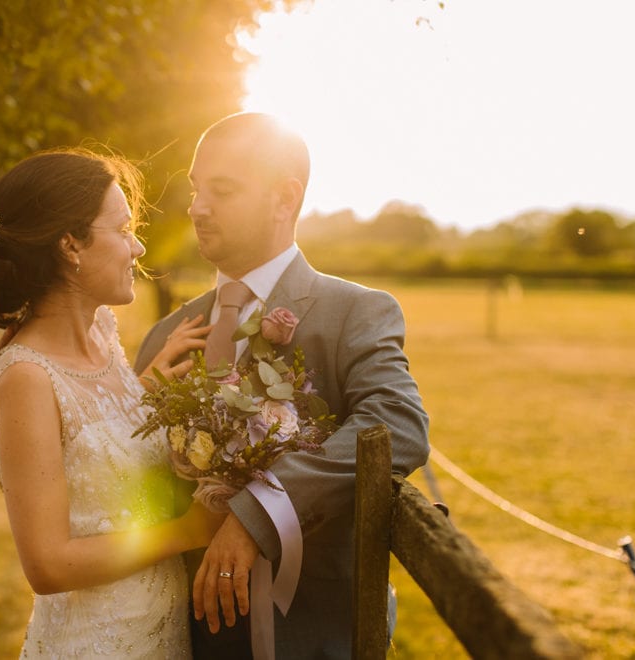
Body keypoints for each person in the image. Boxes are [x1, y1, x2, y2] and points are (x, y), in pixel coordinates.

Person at [134, 112, 435, 658]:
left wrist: (257, 514)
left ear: (284, 199)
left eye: (221, 190)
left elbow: (397, 425)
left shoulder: (355, 313)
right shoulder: (165, 336)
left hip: (308, 635)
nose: (197, 207)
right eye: (197, 189)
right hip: (180, 639)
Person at [0, 147, 223, 658]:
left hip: (161, 635)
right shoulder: (25, 376)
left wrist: (146, 390)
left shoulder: (103, 332)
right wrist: (190, 530)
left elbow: (93, 442)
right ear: (69, 245)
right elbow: (49, 566)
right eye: (124, 230)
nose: (139, 247)